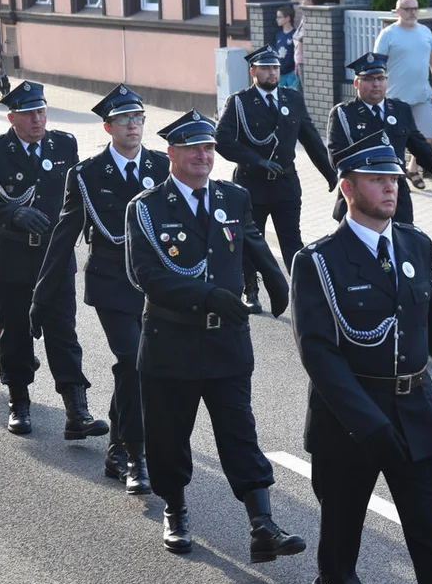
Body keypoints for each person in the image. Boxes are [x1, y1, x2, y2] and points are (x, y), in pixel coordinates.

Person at [290, 133, 432, 584]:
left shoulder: (415, 244)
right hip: (349, 420)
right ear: (347, 188)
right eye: (377, 180)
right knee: (341, 532)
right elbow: (318, 353)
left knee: (430, 528)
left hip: (415, 409)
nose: (391, 188)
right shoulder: (318, 261)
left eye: (393, 178)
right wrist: (368, 423)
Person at [126, 110, 304, 561]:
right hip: (172, 343)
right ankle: (176, 510)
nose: (203, 156)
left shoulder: (233, 195)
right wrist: (207, 296)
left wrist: (277, 278)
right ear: (172, 154)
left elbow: (248, 238)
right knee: (169, 436)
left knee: (239, 432)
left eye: (208, 148)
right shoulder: (145, 208)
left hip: (227, 341)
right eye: (193, 148)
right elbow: (146, 276)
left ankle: (262, 523)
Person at [31, 83, 168, 494]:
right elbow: (63, 236)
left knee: (138, 370)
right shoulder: (87, 174)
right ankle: (136, 457)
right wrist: (41, 297)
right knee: (133, 362)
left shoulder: (163, 168)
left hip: (157, 290)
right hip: (111, 286)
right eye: (125, 119)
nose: (133, 125)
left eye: (139, 117)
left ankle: (115, 447)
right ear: (108, 127)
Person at [0, 81, 107, 439]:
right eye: (28, 114)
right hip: (12, 254)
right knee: (15, 331)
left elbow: (78, 196)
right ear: (12, 117)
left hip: (54, 257)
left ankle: (77, 409)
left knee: (63, 333)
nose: (37, 120)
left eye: (41, 112)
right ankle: (19, 401)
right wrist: (11, 214)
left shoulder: (64, 144)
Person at [216, 45, 336, 312]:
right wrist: (256, 160)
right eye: (266, 68)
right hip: (251, 184)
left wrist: (331, 173)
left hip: (285, 183)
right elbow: (222, 140)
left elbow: (311, 139)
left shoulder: (292, 99)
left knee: (292, 240)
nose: (272, 73)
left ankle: (304, 292)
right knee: (249, 242)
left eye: (275, 68)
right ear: (253, 71)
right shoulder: (239, 102)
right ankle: (251, 290)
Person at [327, 52, 432, 225]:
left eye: (380, 78)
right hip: (360, 199)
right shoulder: (344, 114)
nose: (376, 84)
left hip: (396, 197)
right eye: (369, 79)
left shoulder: (401, 110)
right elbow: (336, 158)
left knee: (402, 249)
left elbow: (421, 149)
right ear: (356, 83)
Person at [373, 0, 432, 189]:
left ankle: (412, 168)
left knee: (426, 137)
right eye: (407, 9)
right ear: (397, 11)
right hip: (395, 97)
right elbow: (378, 64)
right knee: (394, 138)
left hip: (422, 95)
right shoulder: (388, 34)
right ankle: (392, 174)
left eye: (415, 8)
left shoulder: (425, 32)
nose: (412, 12)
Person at [292, 0, 318, 87]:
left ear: (311, 1)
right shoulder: (304, 17)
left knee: (305, 90)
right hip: (299, 60)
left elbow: (301, 36)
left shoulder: (312, 17)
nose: (301, 2)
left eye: (303, 0)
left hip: (305, 60)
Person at [273, 5, 298, 89]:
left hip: (292, 72)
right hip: (280, 72)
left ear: (287, 18)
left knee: (293, 96)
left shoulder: (295, 34)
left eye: (279, 17)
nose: (277, 19)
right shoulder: (278, 35)